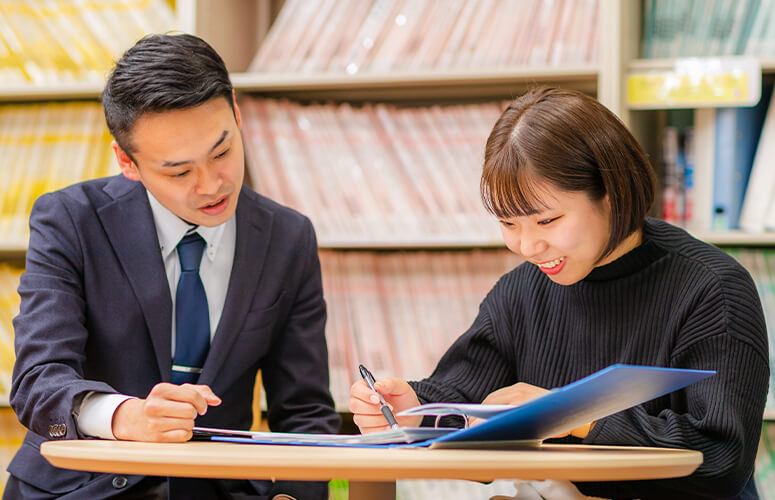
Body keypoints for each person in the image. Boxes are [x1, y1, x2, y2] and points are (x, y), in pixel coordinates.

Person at [350, 87, 769, 499]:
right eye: (509, 224)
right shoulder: (521, 291)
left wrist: (569, 416)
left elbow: (721, 459)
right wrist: (413, 408)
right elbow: (464, 397)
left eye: (547, 221)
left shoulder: (710, 288)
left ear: (611, 192)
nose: (528, 247)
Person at [6, 33, 339, 500]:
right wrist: (127, 417)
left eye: (222, 151)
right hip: (81, 490)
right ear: (127, 162)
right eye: (179, 172)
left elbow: (304, 411)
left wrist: (290, 498)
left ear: (237, 113)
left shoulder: (288, 237)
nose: (211, 186)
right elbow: (39, 381)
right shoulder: (70, 220)